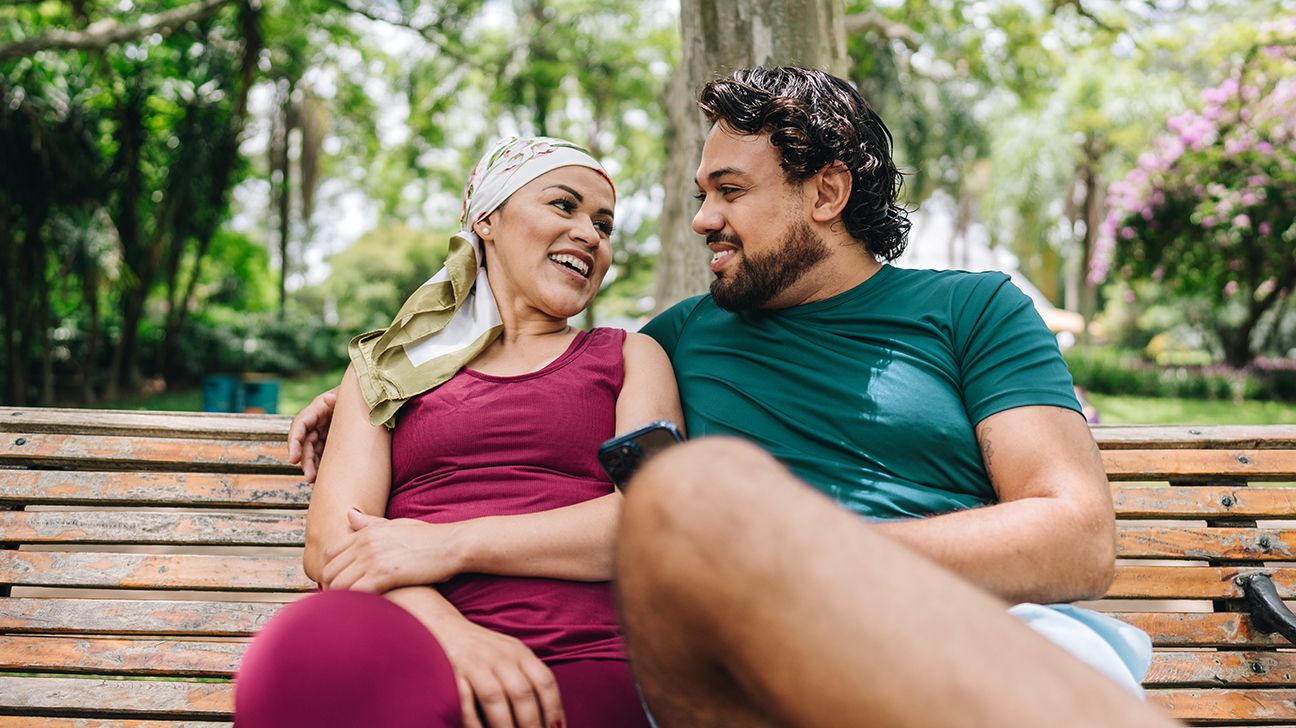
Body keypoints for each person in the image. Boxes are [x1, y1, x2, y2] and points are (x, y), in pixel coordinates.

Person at [287, 69, 1176, 727]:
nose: (703, 219)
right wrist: (368, 392)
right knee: (688, 492)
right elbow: (523, 365)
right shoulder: (671, 340)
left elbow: (1074, 535)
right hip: (750, 668)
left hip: (967, 632)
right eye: (700, 194)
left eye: (731, 192)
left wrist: (807, 559)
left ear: (826, 192)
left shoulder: (969, 309)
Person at [237, 136, 681, 728]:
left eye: (604, 224)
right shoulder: (389, 367)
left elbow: (650, 521)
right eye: (563, 205)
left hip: (575, 649)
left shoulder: (630, 356)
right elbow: (330, 547)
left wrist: (448, 543)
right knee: (301, 651)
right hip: (408, 634)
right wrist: (453, 636)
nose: (590, 234)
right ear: (487, 220)